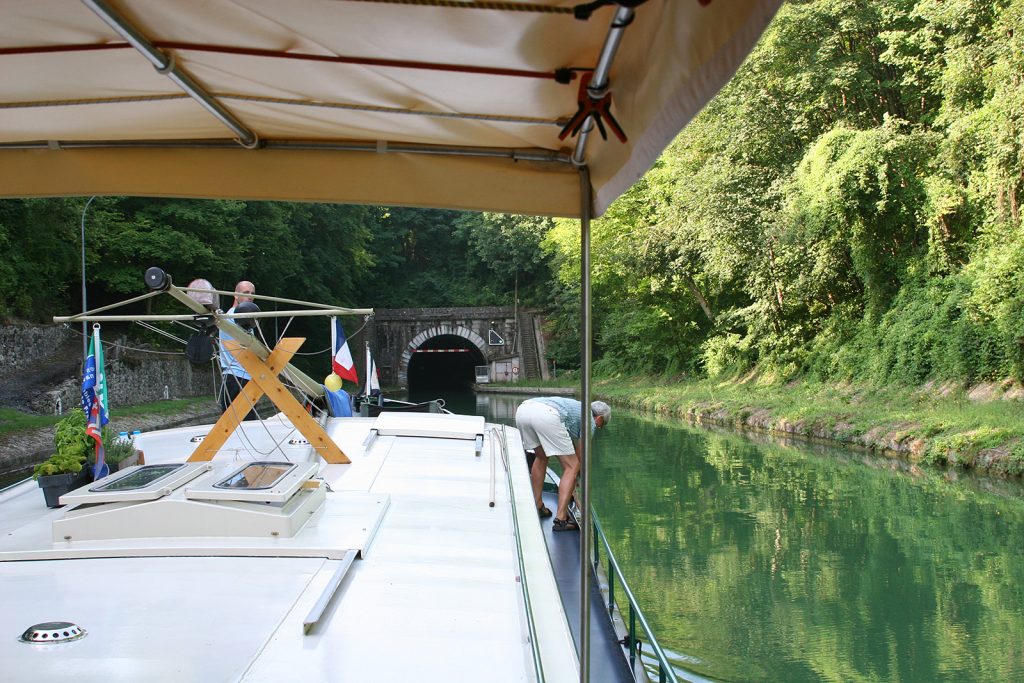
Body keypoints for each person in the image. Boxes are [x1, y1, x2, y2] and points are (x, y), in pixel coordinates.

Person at [515, 397, 611, 532]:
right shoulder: (590, 420)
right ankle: (561, 519)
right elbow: (581, 456)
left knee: (541, 456)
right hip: (546, 415)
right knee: (571, 467)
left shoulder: (577, 410)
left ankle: (538, 505)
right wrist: (576, 476)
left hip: (524, 410)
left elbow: (573, 449)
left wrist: (574, 476)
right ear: (599, 419)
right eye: (601, 426)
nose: (598, 427)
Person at [219, 280, 259, 420]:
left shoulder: (245, 317)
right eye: (246, 293)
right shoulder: (233, 317)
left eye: (252, 294)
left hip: (246, 378)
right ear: (236, 295)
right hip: (235, 377)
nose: (250, 296)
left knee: (248, 425)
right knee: (235, 425)